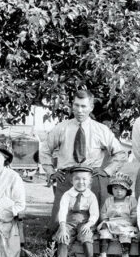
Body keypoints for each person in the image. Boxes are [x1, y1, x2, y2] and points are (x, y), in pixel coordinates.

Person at [40, 90, 127, 226]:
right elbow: (45, 151)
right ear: (72, 106)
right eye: (76, 105)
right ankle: (58, 244)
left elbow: (120, 153)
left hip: (93, 178)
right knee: (58, 222)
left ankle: (93, 245)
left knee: (96, 220)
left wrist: (107, 171)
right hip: (67, 177)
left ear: (91, 107)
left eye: (83, 106)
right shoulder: (61, 128)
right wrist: (51, 172)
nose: (79, 110)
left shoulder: (101, 130)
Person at [54, 165, 100, 257]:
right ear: (72, 180)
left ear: (90, 181)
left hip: (85, 221)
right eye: (77, 179)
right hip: (69, 221)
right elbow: (62, 211)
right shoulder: (67, 195)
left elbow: (95, 214)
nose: (81, 182)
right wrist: (63, 227)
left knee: (86, 237)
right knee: (63, 239)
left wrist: (89, 224)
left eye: (84, 179)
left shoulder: (91, 196)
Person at [96, 173, 137, 257]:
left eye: (122, 189)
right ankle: (103, 256)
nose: (119, 191)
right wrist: (105, 221)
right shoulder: (109, 201)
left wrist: (131, 222)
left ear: (127, 190)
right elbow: (103, 213)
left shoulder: (131, 200)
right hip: (111, 223)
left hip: (126, 224)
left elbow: (135, 213)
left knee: (125, 234)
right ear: (111, 190)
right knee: (104, 232)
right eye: (115, 188)